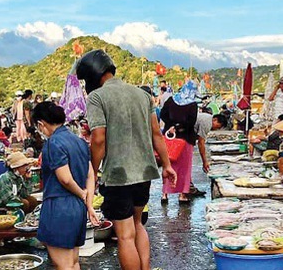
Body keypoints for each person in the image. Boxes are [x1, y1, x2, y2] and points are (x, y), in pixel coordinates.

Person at [77, 49, 177, 270]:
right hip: (144, 173)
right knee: (138, 225)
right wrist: (168, 165)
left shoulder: (97, 97)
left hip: (118, 175)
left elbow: (99, 139)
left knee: (124, 236)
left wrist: (92, 170)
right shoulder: (142, 94)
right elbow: (156, 133)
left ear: (93, 74)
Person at [32, 102, 99, 270]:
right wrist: (88, 204)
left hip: (59, 207)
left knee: (63, 265)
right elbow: (91, 175)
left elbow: (65, 179)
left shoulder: (53, 143)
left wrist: (81, 194)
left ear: (41, 124)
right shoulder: (80, 142)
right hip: (77, 209)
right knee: (73, 263)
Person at [159, 81, 224, 203]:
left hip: (170, 138)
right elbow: (191, 122)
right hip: (185, 139)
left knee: (168, 165)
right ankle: (182, 195)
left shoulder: (171, 100)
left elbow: (162, 114)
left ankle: (164, 194)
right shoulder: (192, 105)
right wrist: (178, 127)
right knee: (184, 168)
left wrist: (172, 125)